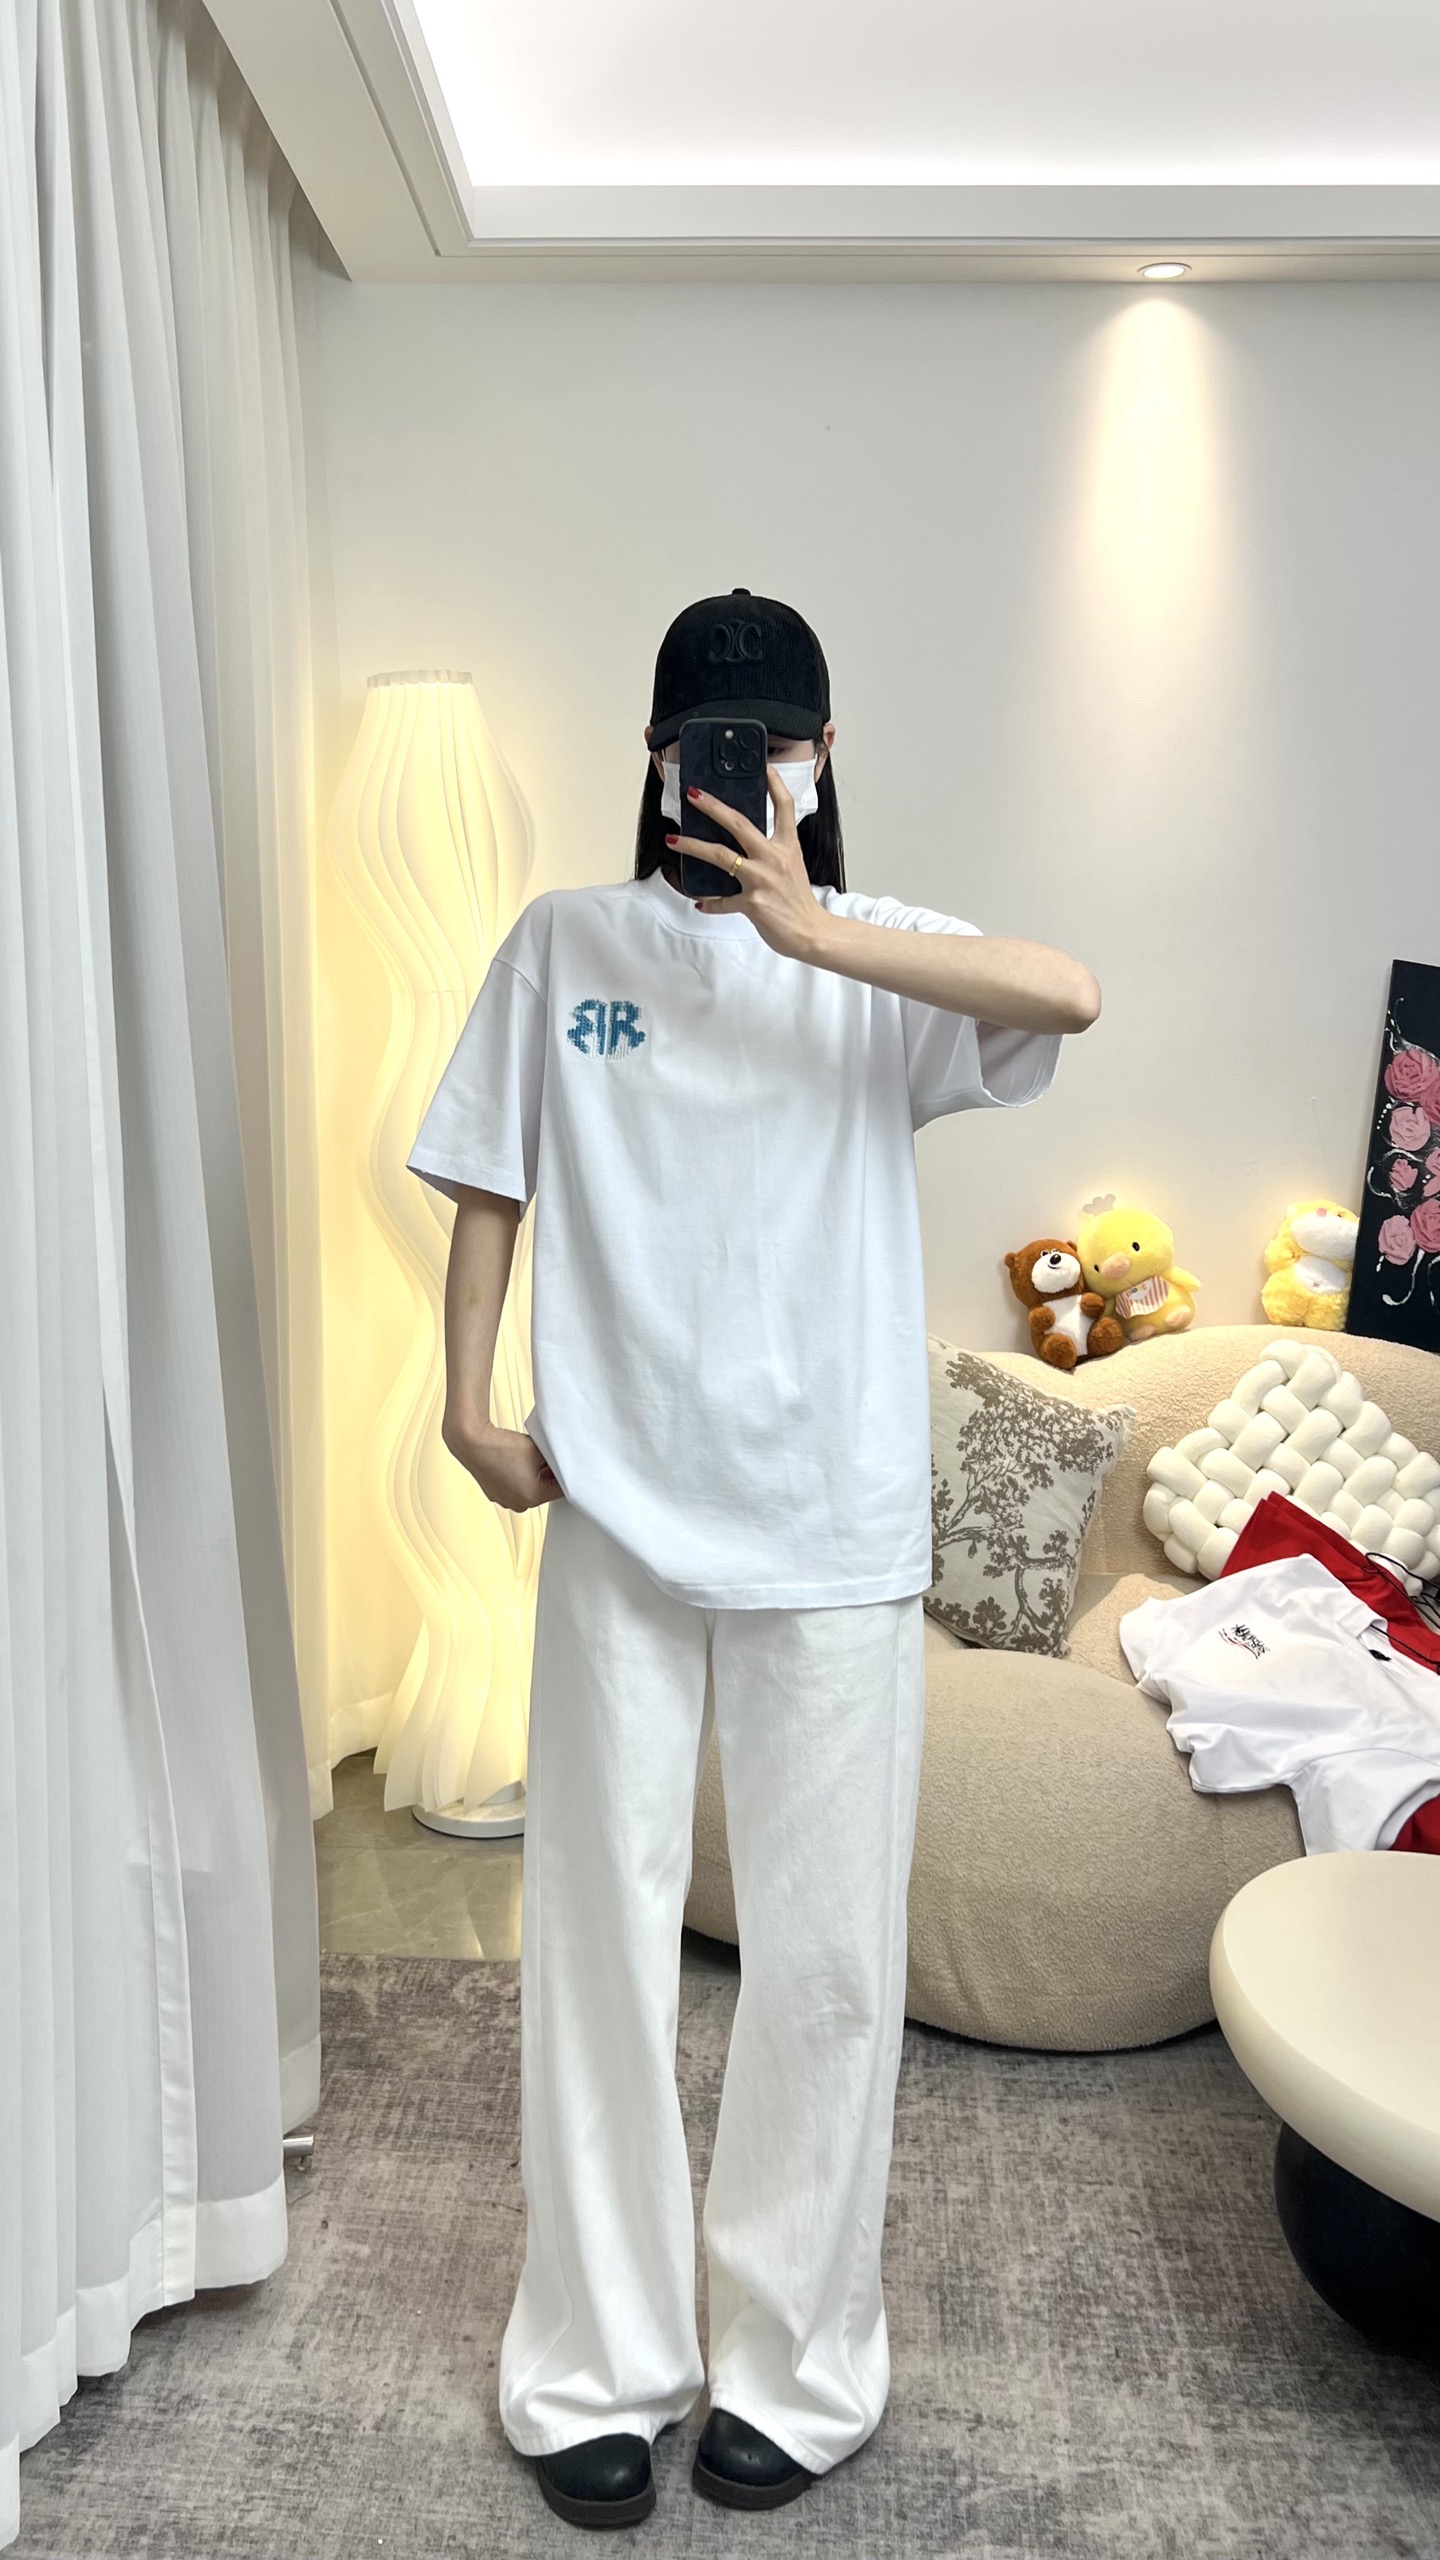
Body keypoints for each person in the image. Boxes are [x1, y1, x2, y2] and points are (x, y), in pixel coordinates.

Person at [406, 589, 1100, 2530]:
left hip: (833, 1523)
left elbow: (1069, 991)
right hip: (618, 1510)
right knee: (598, 1944)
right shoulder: (568, 945)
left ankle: (797, 2370)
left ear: (820, 758)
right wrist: (463, 1399)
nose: (737, 772)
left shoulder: (881, 961)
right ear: (653, 760)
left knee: (824, 1964)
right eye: (707, 745)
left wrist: (811, 926)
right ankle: (592, 2366)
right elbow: (488, 1181)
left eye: (775, 745)